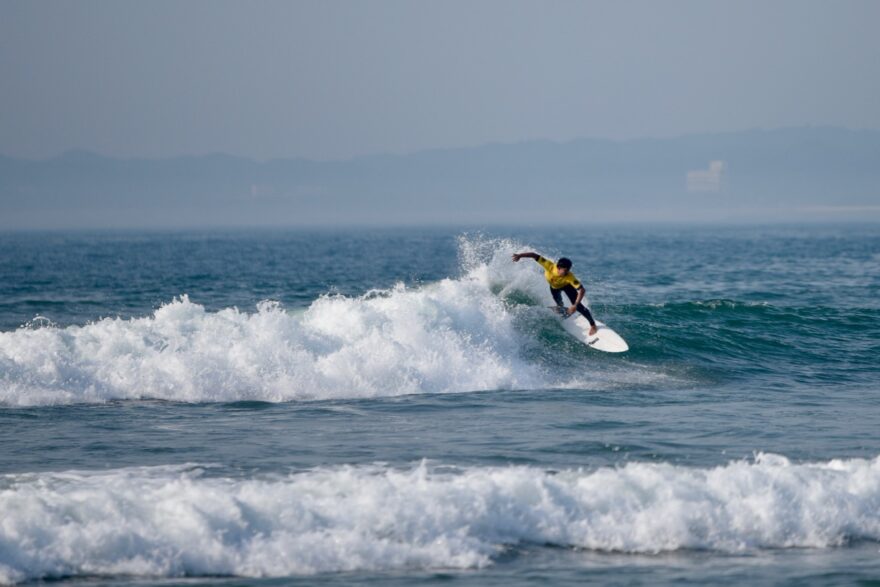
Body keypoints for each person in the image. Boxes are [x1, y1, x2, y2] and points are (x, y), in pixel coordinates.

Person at [511, 252, 598, 335]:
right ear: (559, 268)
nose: (567, 272)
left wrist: (575, 305)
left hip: (567, 287)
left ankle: (593, 325)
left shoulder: (569, 277)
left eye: (568, 270)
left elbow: (582, 290)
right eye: (565, 270)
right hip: (554, 288)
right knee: (559, 305)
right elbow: (534, 255)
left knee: (579, 306)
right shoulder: (550, 266)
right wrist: (520, 255)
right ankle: (565, 313)